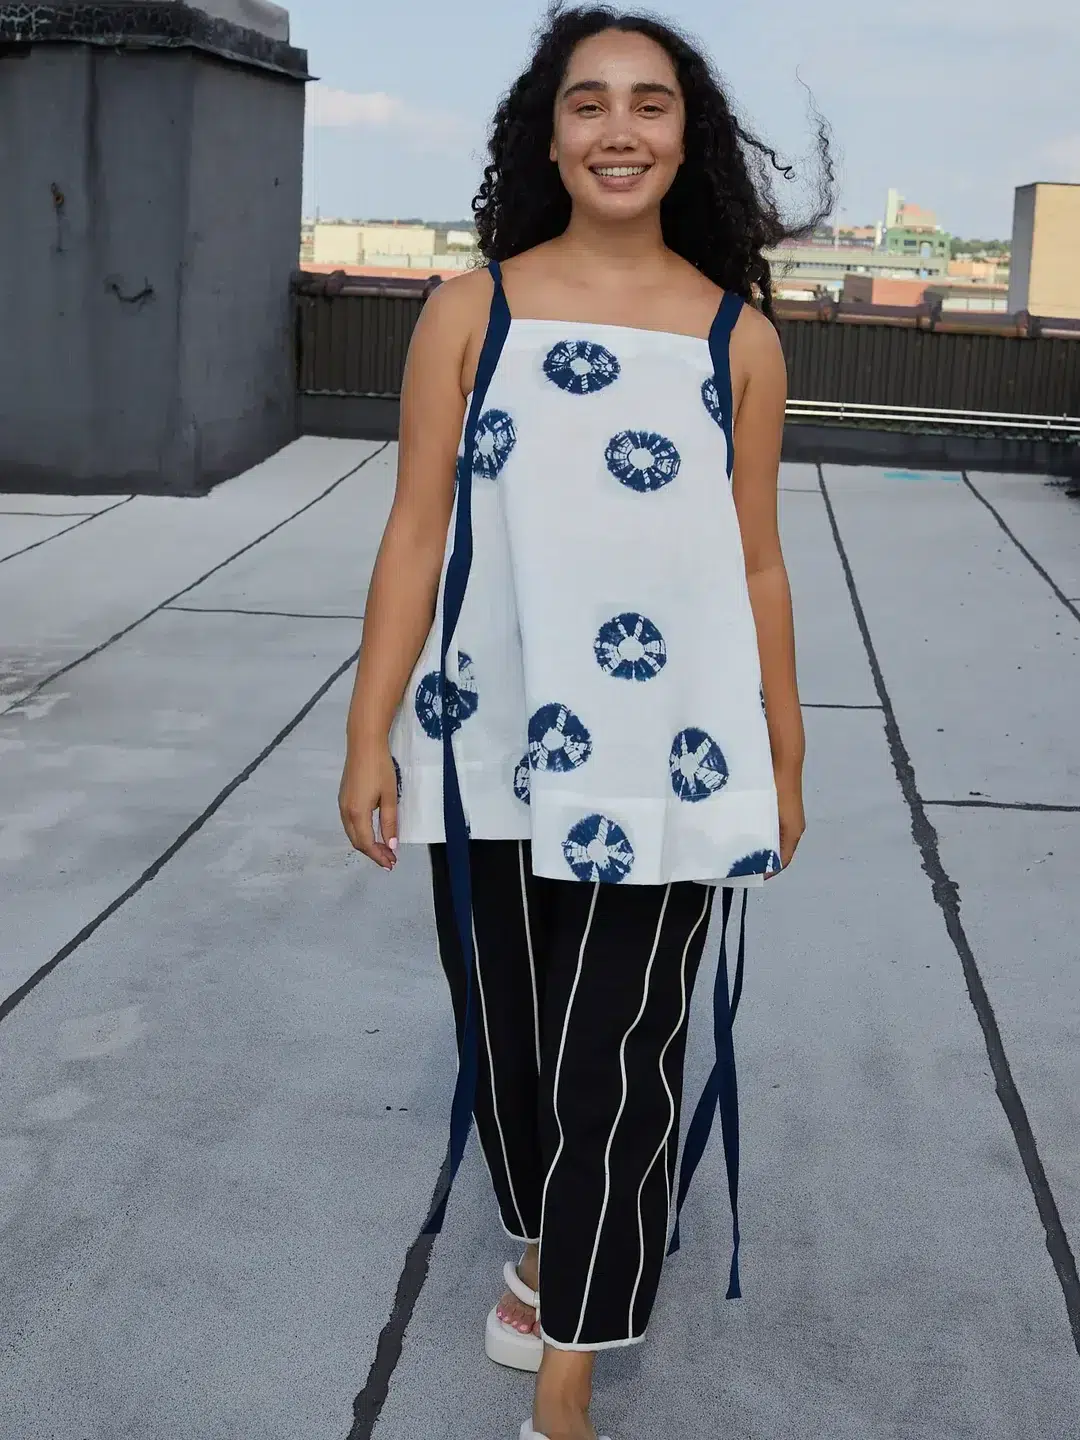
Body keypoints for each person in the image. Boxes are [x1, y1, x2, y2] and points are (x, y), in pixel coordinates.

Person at [339, 7, 829, 1437]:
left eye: (653, 104)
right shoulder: (468, 311)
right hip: (491, 745)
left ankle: (568, 1375)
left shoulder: (738, 339)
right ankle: (552, 1241)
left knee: (622, 1042)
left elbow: (757, 563)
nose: (621, 129)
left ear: (690, 139)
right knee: (514, 1042)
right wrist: (369, 731)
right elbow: (416, 531)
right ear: (547, 133)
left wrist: (783, 750)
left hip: (671, 761)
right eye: (590, 102)